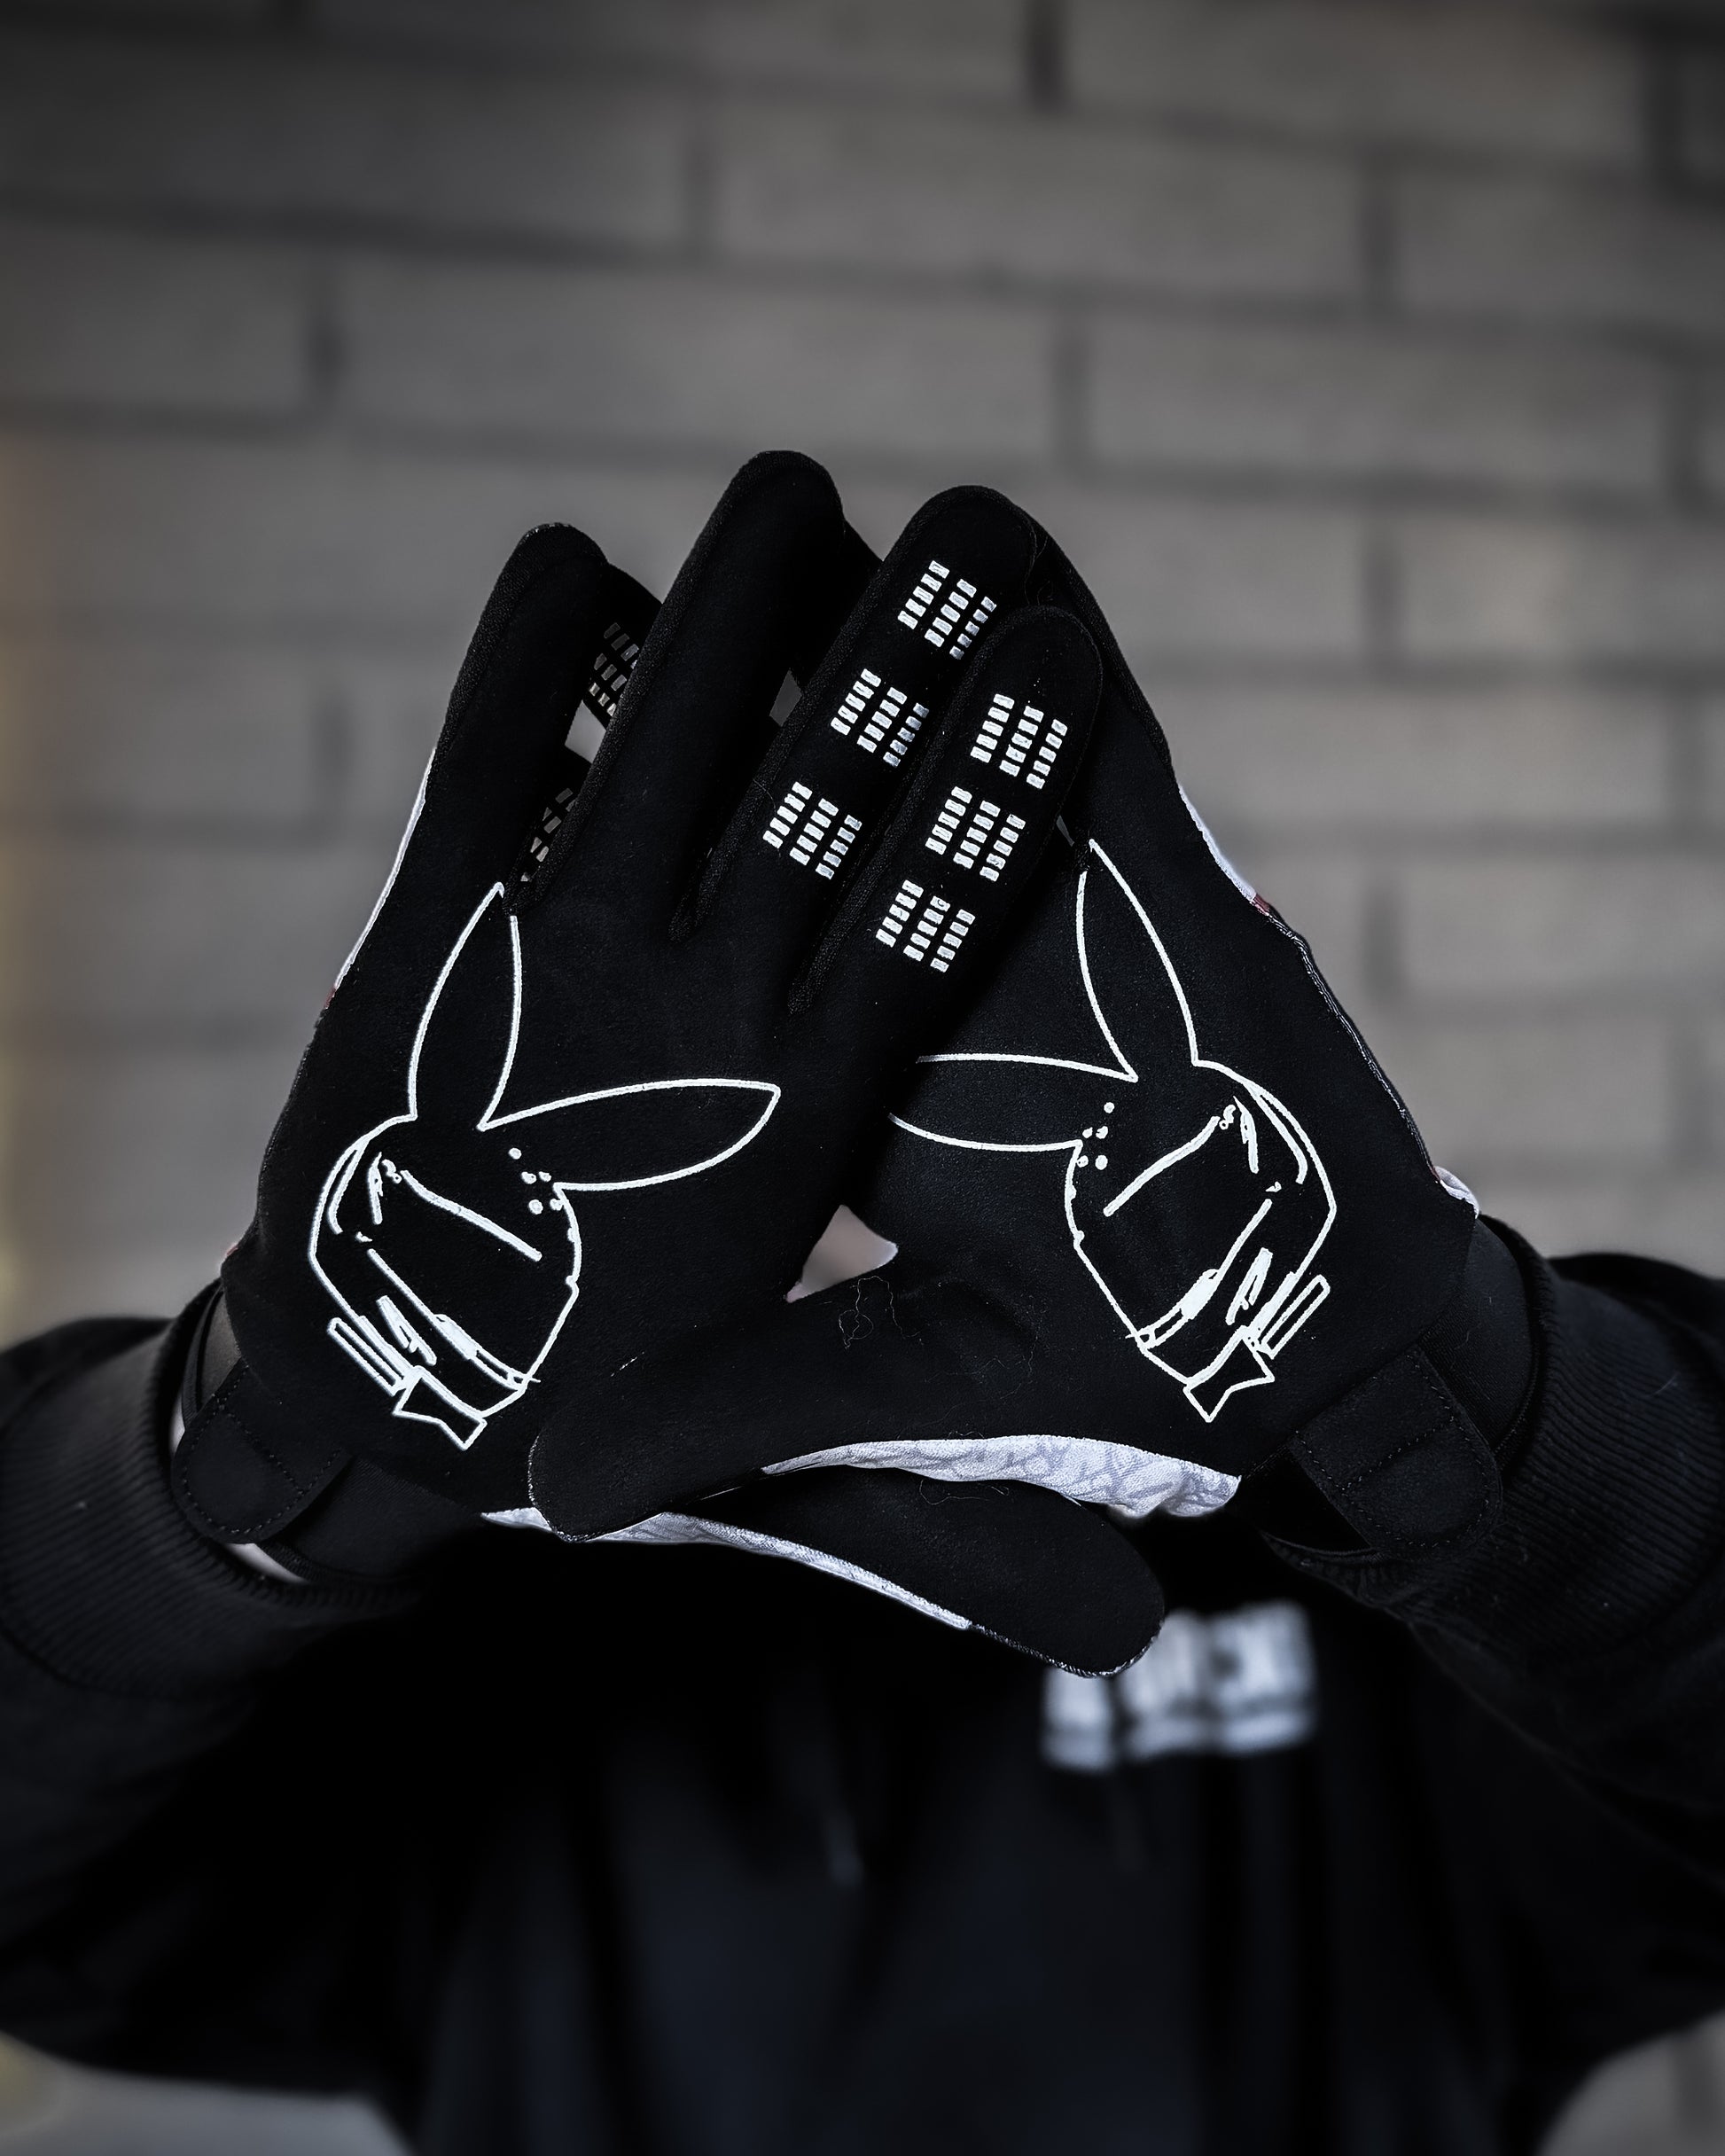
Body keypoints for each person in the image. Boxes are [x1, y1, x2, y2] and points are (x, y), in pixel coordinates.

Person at [0, 453, 1721, 2155]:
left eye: (916, 1050)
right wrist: (261, 1460)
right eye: (762, 1062)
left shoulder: (1361, 1592)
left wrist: (1459, 1408)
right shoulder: (451, 1662)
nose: (821, 1153)